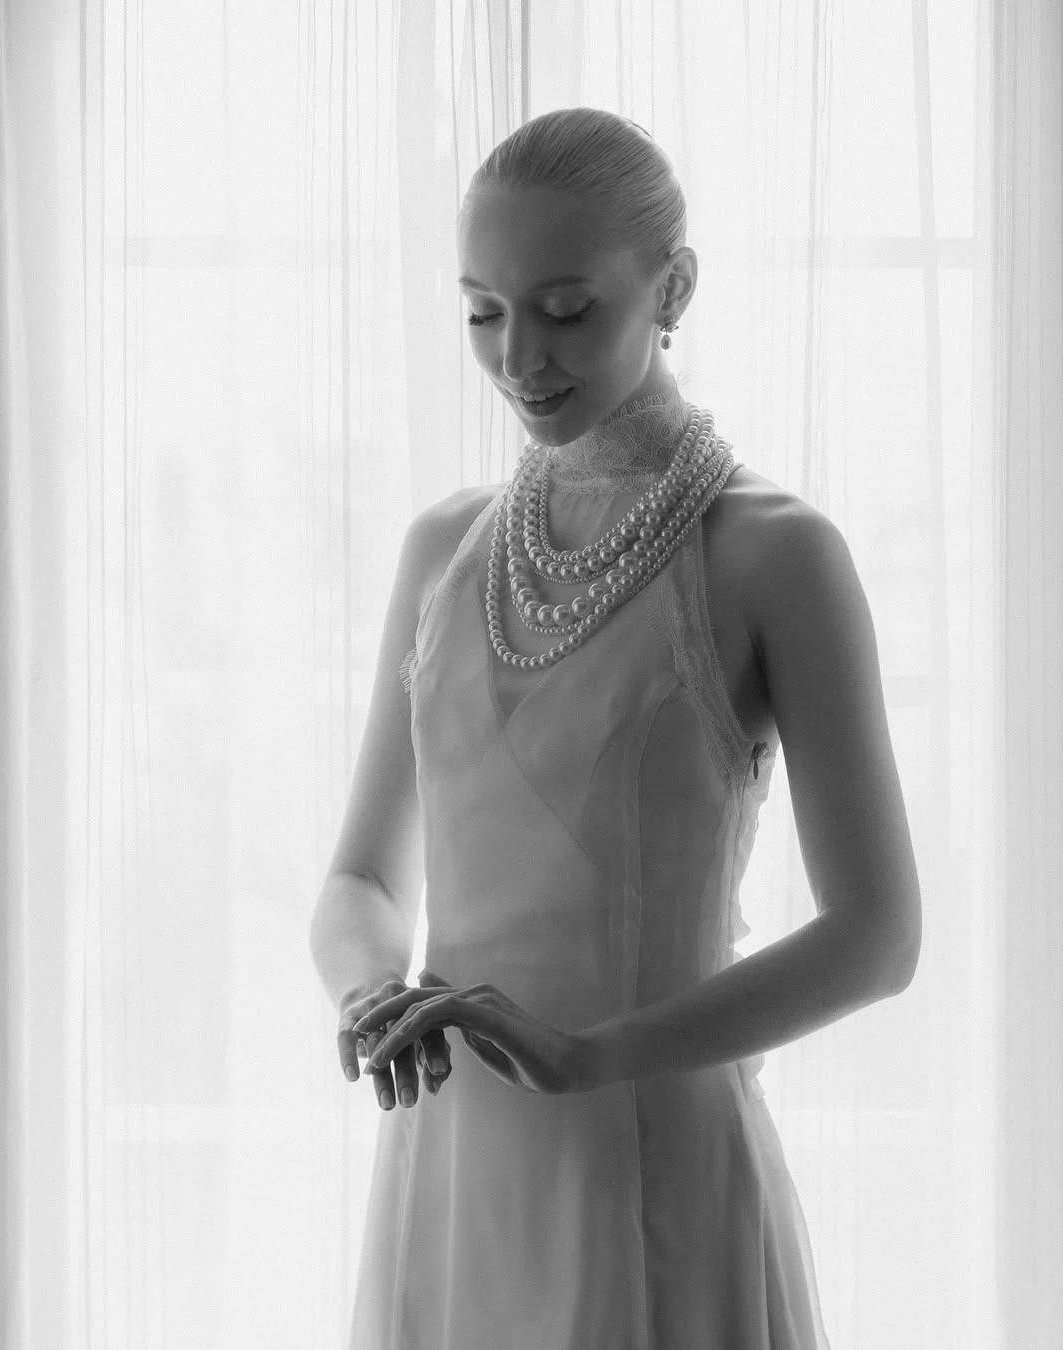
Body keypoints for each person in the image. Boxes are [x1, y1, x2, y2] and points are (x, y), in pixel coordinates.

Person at [310, 106, 921, 1350]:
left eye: (565, 309)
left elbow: (878, 938)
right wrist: (370, 993)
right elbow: (364, 876)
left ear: (673, 287)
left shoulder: (776, 554)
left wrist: (592, 1055)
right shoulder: (442, 548)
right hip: (450, 1165)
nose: (519, 356)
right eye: (483, 312)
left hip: (657, 1153)